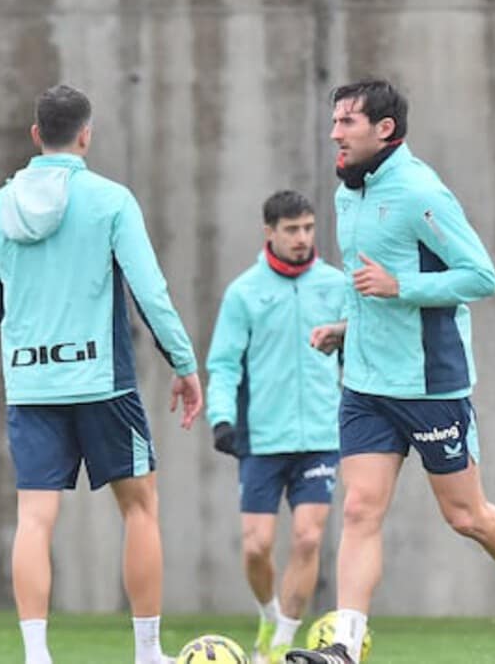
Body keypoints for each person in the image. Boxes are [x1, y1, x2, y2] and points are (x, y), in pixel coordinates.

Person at [285, 80, 495, 664]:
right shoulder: (350, 194)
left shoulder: (421, 192)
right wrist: (345, 329)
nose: (334, 134)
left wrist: (404, 288)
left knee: (466, 516)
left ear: (385, 130)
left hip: (430, 385)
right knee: (359, 508)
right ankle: (345, 645)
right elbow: (365, 283)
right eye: (334, 121)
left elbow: (481, 277)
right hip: (366, 386)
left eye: (347, 122)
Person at [0, 84, 202, 664]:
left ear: (35, 135)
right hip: (102, 382)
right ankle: (148, 653)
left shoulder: (0, 206)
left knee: (34, 517)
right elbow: (151, 293)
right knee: (140, 507)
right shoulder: (110, 199)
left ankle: (36, 655)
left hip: (29, 384)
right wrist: (183, 364)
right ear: (86, 134)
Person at [206, 190, 346, 664]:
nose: (302, 238)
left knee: (308, 538)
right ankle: (269, 614)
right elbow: (224, 364)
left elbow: (364, 352)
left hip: (322, 437)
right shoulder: (245, 292)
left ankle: (283, 642)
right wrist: (220, 419)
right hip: (262, 438)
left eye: (308, 228)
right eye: (292, 230)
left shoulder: (335, 285)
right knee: (256, 547)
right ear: (270, 232)